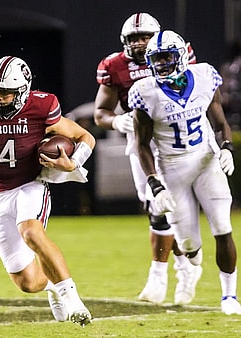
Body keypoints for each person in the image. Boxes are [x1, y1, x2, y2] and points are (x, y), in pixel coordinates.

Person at [0, 56, 95, 326]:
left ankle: (72, 297)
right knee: (27, 282)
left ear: (22, 91)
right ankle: (52, 286)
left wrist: (73, 163)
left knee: (30, 230)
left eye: (6, 92)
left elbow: (85, 137)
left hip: (31, 183)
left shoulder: (42, 106)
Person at [129, 30, 241, 315]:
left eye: (167, 57)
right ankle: (193, 253)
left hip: (206, 160)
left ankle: (229, 297)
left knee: (222, 226)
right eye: (156, 60)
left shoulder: (205, 76)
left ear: (181, 54)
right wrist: (154, 183)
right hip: (172, 168)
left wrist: (227, 147)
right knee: (188, 246)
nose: (162, 64)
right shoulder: (145, 93)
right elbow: (142, 144)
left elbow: (219, 121)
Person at [94, 12, 202, 306]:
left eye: (145, 37)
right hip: (142, 143)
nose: (140, 43)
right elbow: (101, 112)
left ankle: (168, 272)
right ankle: (177, 270)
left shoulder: (175, 54)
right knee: (156, 208)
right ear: (124, 42)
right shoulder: (114, 66)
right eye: (134, 38)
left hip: (175, 140)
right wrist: (118, 122)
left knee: (169, 207)